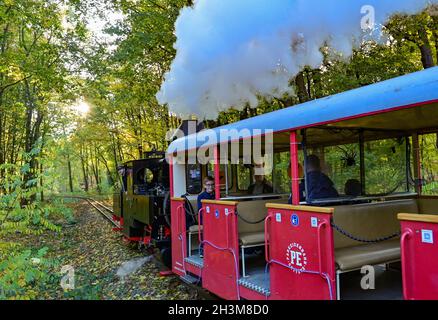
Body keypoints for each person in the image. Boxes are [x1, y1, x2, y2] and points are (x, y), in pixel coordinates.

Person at [196, 176, 215, 258]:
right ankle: (202, 249)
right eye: (208, 185)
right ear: (204, 186)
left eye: (212, 184)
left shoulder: (216, 194)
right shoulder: (201, 196)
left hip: (215, 217)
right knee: (207, 227)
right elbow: (201, 210)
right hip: (204, 218)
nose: (210, 187)